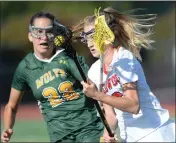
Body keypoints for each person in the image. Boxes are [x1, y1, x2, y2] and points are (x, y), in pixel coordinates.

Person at [72, 7, 175, 142]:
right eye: (86, 37)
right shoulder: (95, 71)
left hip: (155, 132)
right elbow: (110, 115)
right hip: (131, 138)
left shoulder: (124, 58)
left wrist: (97, 95)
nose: (89, 43)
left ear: (107, 34)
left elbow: (133, 106)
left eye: (93, 36)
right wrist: (107, 135)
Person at [1, 11, 104, 143]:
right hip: (59, 137)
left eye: (49, 31)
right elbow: (11, 106)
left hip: (89, 130)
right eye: (38, 32)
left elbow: (93, 89)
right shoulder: (24, 68)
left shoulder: (68, 57)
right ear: (30, 36)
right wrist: (8, 128)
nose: (43, 37)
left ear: (55, 35)